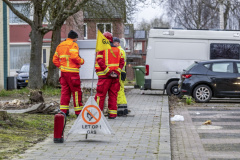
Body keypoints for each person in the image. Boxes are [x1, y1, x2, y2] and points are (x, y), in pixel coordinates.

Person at [53, 30, 84, 117]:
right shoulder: (73, 44)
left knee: (65, 92)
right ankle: (78, 112)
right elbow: (74, 56)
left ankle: (63, 111)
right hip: (73, 73)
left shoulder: (60, 45)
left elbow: (54, 60)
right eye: (76, 39)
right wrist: (81, 61)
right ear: (74, 38)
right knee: (76, 92)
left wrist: (61, 67)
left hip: (63, 73)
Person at [94, 32, 124, 119]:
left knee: (100, 95)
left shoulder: (102, 50)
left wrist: (108, 72)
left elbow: (99, 61)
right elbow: (122, 62)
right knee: (113, 95)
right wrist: (117, 72)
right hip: (115, 78)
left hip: (104, 77)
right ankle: (112, 114)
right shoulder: (118, 50)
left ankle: (97, 114)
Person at [113, 37, 128, 116]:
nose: (113, 44)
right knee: (121, 90)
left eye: (115, 42)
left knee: (119, 90)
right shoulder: (122, 50)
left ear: (118, 43)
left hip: (120, 72)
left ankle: (120, 109)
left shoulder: (119, 50)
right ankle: (124, 108)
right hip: (123, 72)